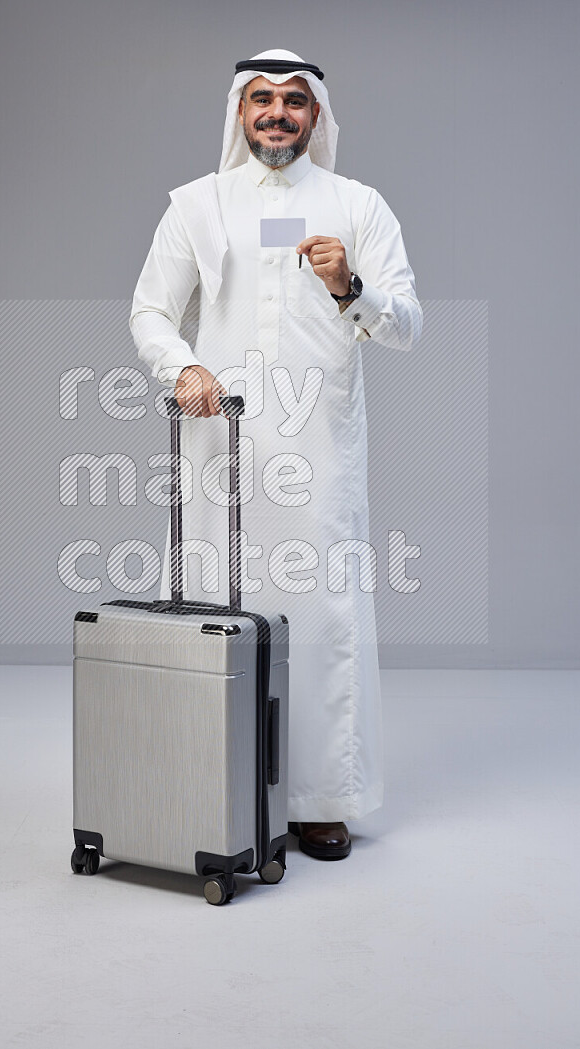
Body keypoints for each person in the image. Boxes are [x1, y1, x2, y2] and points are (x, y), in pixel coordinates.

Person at [129, 49, 422, 860]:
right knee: (212, 609)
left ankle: (319, 799)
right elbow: (150, 310)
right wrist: (181, 364)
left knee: (321, 616)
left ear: (317, 115)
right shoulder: (196, 204)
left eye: (295, 100)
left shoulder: (357, 205)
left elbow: (407, 326)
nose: (278, 113)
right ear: (238, 111)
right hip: (217, 440)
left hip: (319, 447)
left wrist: (350, 284)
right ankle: (204, 783)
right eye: (262, 99)